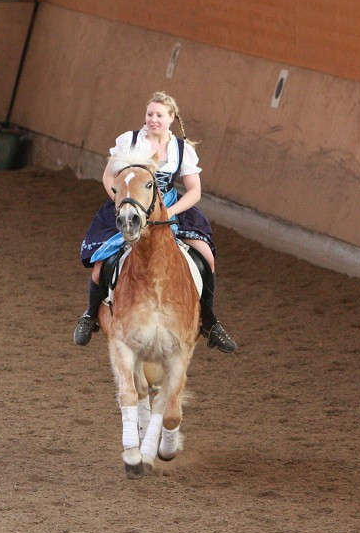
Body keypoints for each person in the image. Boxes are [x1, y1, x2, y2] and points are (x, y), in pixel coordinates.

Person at [72, 91, 237, 353]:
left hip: (169, 207)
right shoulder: (131, 141)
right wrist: (122, 203)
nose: (153, 120)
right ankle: (91, 315)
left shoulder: (182, 149)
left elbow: (194, 191)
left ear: (171, 118)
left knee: (207, 256)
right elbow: (108, 177)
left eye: (159, 115)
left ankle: (210, 322)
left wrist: (170, 212)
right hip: (130, 206)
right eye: (150, 114)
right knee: (100, 264)